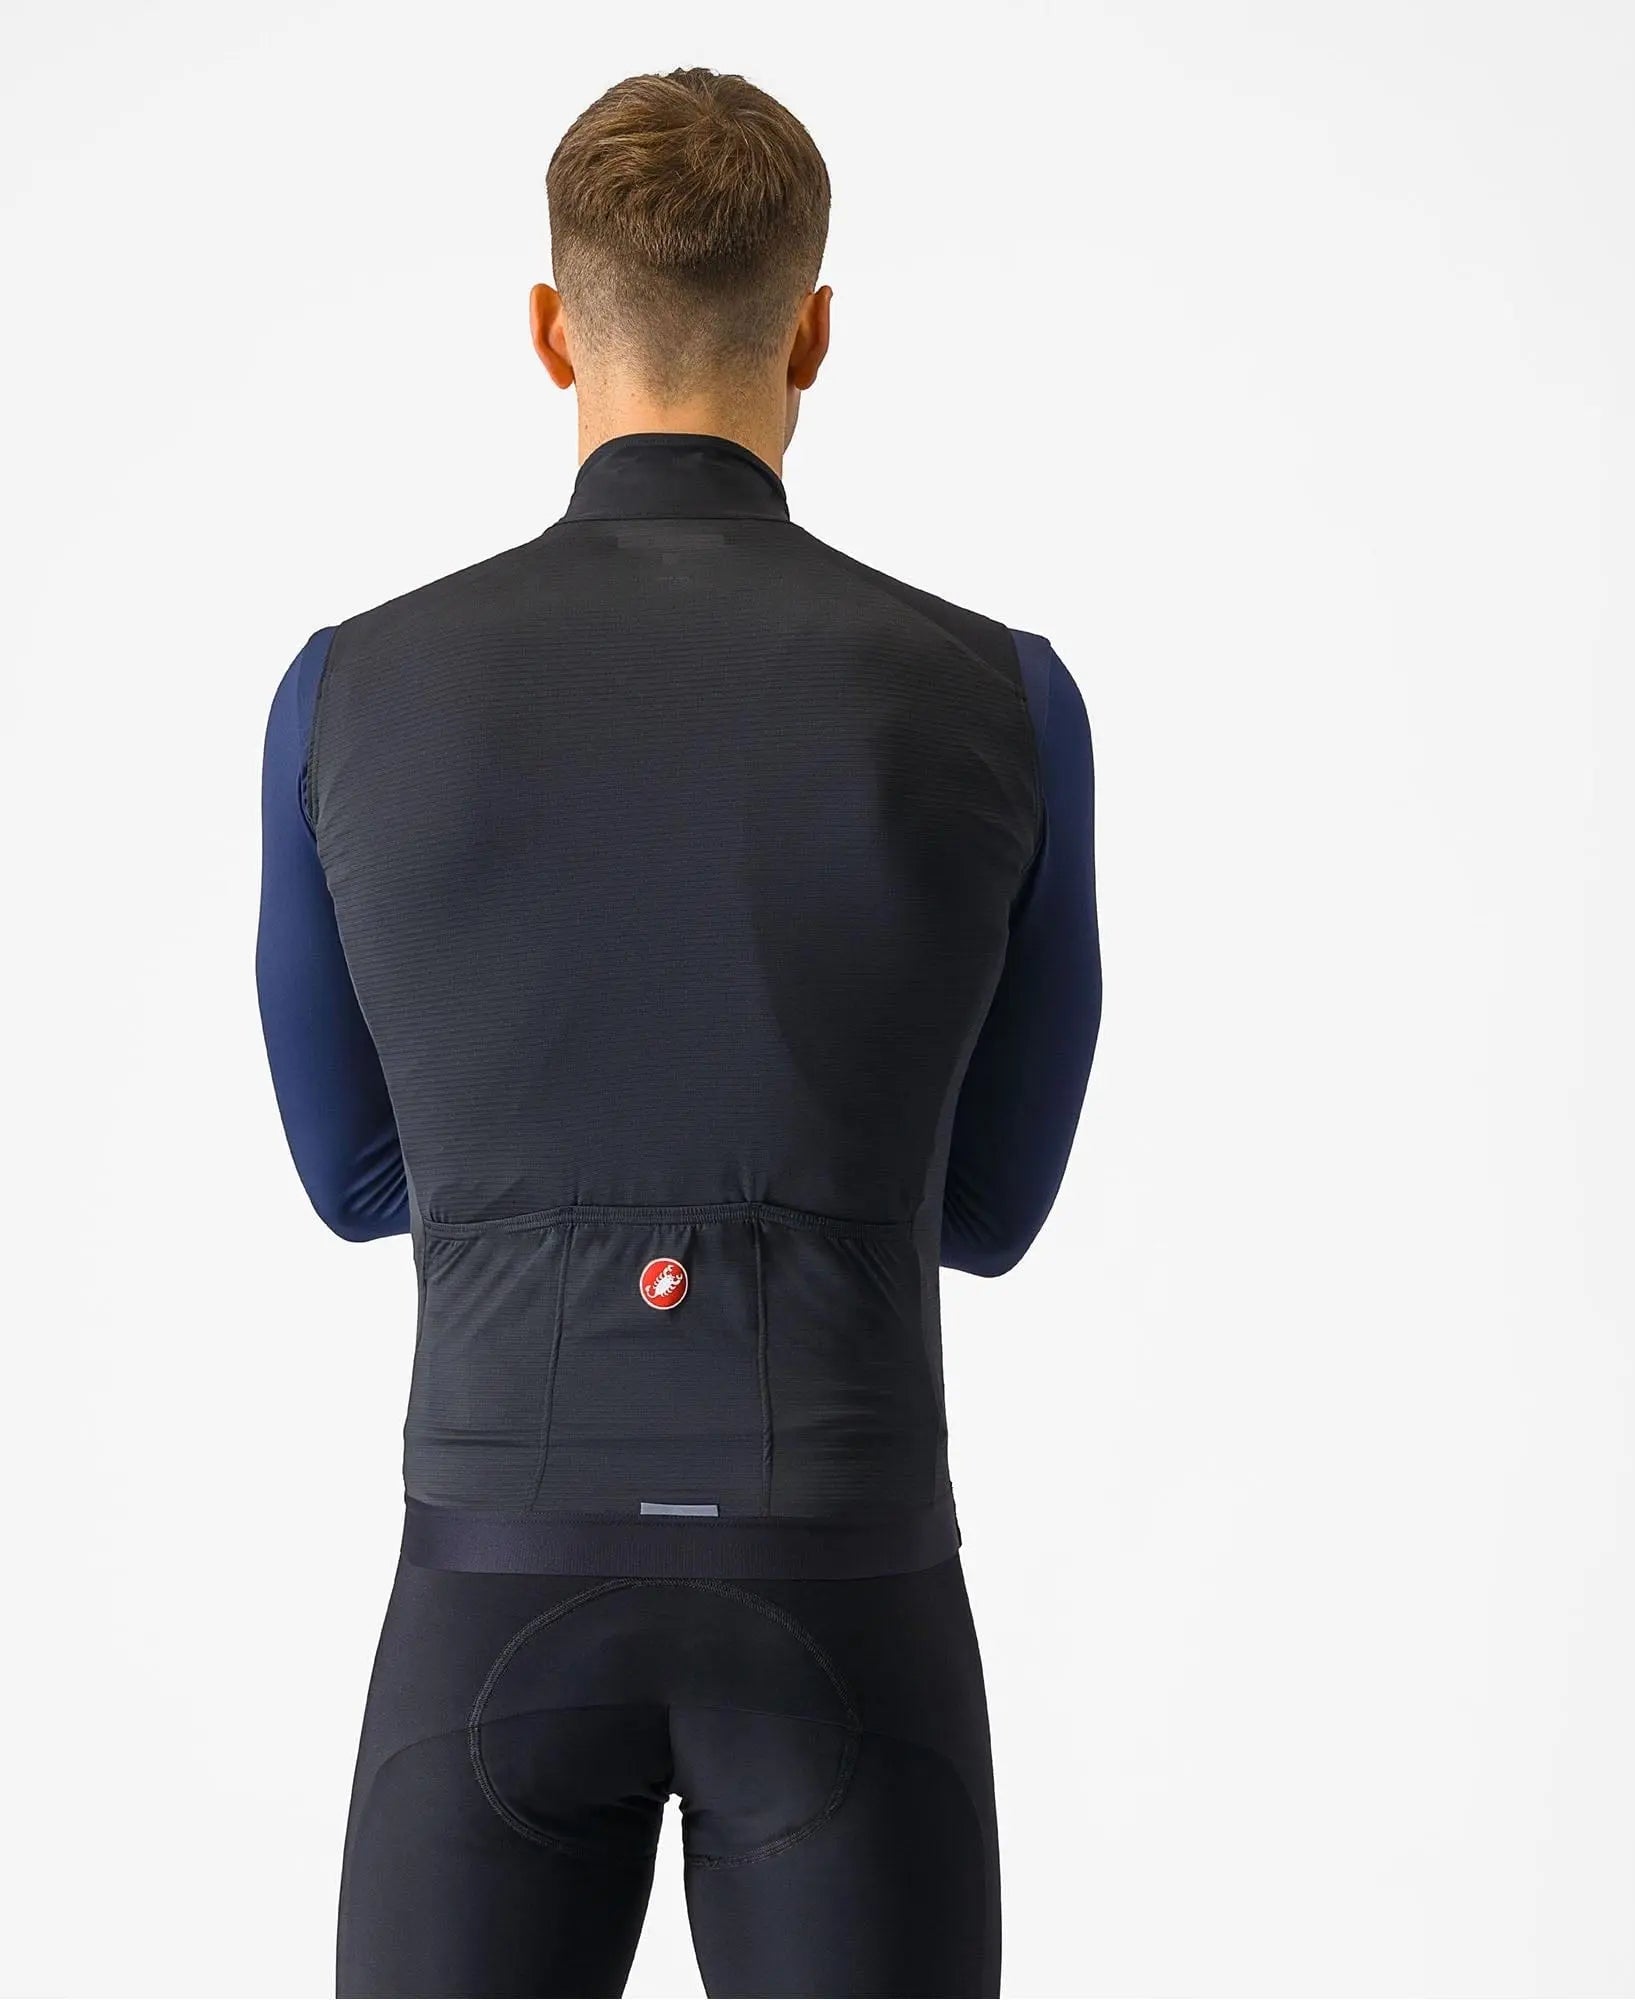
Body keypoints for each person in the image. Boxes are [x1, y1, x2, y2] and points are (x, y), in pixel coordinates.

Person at [256, 66, 1100, 1999]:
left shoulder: (351, 689)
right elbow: (987, 1209)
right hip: (847, 1574)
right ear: (814, 332)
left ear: (551, 330)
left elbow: (352, 1175)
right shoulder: (1003, 695)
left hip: (493, 1572)